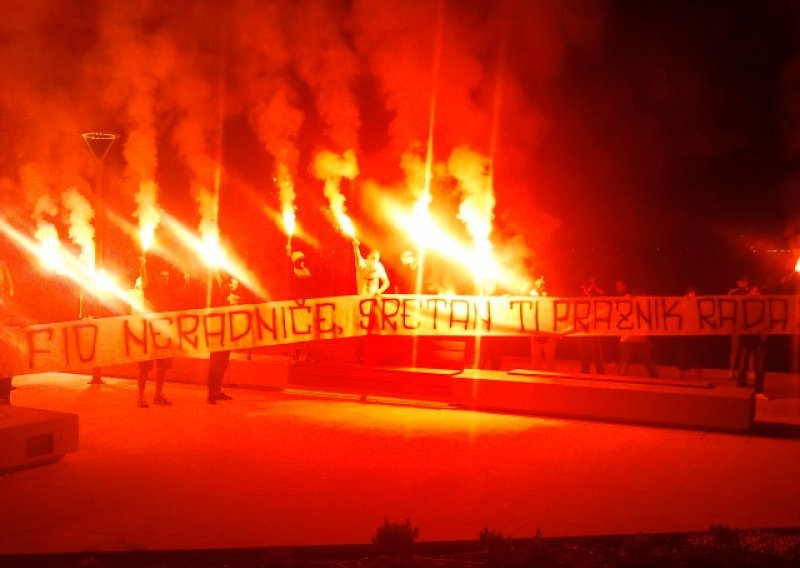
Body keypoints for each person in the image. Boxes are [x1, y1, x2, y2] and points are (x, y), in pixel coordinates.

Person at [136, 257, 178, 408]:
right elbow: (144, 280)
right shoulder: (150, 289)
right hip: (149, 334)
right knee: (145, 367)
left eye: (167, 277)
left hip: (163, 335)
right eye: (162, 277)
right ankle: (140, 396)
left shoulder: (169, 292)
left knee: (162, 366)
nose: (165, 279)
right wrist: (142, 265)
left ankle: (158, 395)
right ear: (157, 277)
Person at [206, 273, 240, 404]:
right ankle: (211, 393)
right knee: (215, 363)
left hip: (227, 336)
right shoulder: (217, 297)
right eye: (228, 284)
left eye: (232, 284)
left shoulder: (231, 298)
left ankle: (217, 390)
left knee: (223, 363)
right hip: (217, 335)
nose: (231, 286)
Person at [616, 280, 659, 378]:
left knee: (647, 365)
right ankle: (619, 383)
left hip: (638, 340)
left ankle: (656, 382)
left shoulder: (645, 307)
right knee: (625, 364)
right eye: (643, 296)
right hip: (630, 339)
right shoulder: (629, 302)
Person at [733, 284, 768, 399]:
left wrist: (766, 334)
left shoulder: (765, 304)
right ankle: (741, 389)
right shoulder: (743, 304)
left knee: (760, 366)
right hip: (746, 338)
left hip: (759, 339)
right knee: (742, 365)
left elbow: (768, 319)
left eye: (757, 291)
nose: (755, 293)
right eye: (753, 291)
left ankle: (759, 391)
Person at [728, 275, 754, 380]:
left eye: (744, 281)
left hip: (749, 325)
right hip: (736, 324)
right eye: (740, 281)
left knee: (750, 349)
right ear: (737, 282)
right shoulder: (732, 292)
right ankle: (732, 371)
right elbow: (728, 306)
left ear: (747, 282)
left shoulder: (752, 291)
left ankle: (752, 371)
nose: (742, 283)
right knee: (734, 349)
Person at [530, 277, 558, 372]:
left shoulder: (551, 297)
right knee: (535, 362)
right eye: (539, 285)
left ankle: (550, 382)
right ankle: (534, 383)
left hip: (549, 334)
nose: (541, 287)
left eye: (543, 285)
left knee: (550, 362)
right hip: (536, 334)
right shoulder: (532, 296)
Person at [578, 278, 605, 374]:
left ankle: (600, 372)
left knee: (596, 352)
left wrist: (595, 288)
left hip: (593, 328)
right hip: (583, 328)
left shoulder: (596, 294)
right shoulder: (581, 296)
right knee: (584, 351)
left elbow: (605, 296)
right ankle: (584, 371)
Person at [677, 287, 703, 380]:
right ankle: (680, 379)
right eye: (691, 293)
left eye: (694, 293)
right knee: (683, 358)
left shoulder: (699, 303)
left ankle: (698, 379)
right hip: (685, 335)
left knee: (697, 358)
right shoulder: (682, 302)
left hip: (695, 335)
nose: (693, 295)